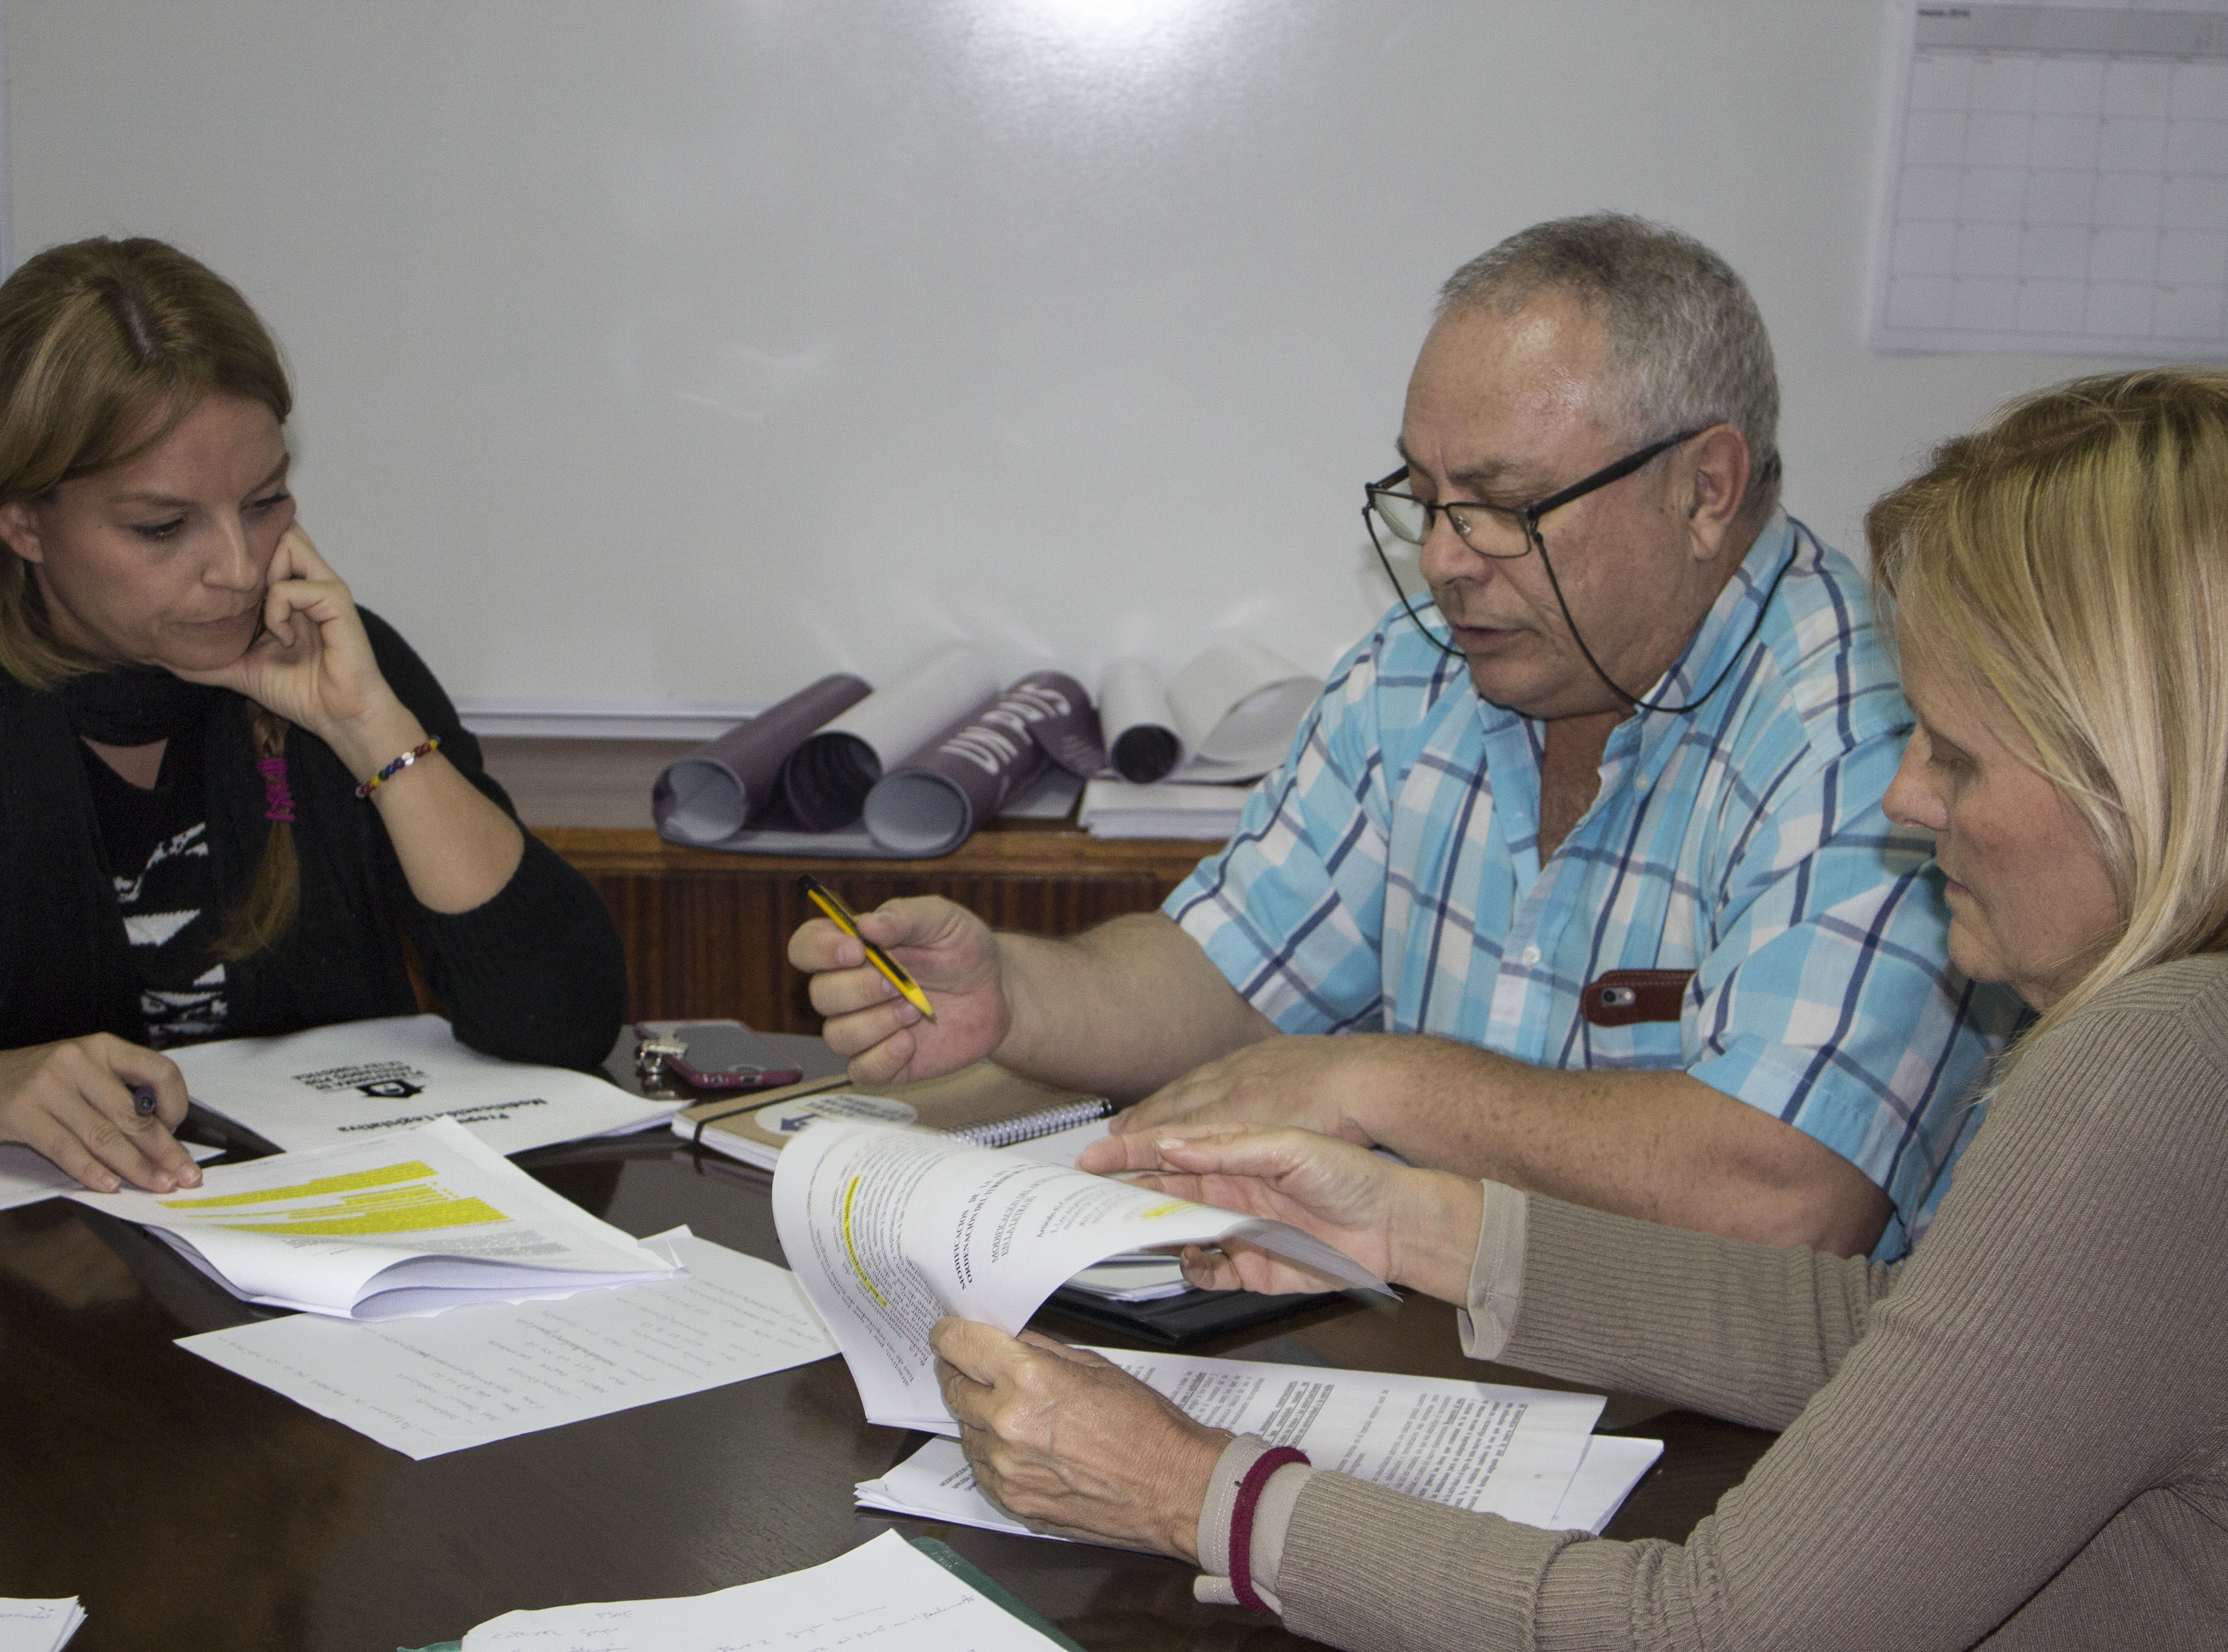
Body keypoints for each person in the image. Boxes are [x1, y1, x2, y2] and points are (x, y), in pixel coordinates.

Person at [933, 365, 2228, 1648]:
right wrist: (1419, 1222)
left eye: (1960, 756)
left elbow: (1721, 1625)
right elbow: (1893, 1340)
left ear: (2138, 770)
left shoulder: (2160, 1064)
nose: (1907, 800)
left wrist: (1190, 1492)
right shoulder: (2227, 1029)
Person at [795, 215, 2012, 1260]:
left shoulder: (1871, 734)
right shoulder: (1421, 674)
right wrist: (1015, 991)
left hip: (1734, 1442)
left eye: (1503, 507)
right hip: (1442, 1349)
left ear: (1704, 489)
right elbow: (1226, 979)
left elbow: (1787, 1196)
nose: (1441, 562)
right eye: (1425, 502)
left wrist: (1382, 1078)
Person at [0, 237, 626, 1195]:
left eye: (267, 500)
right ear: (23, 523)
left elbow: (561, 1021)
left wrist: (371, 731)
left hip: (295, 1254)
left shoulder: (325, 652)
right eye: (162, 527)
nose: (238, 567)